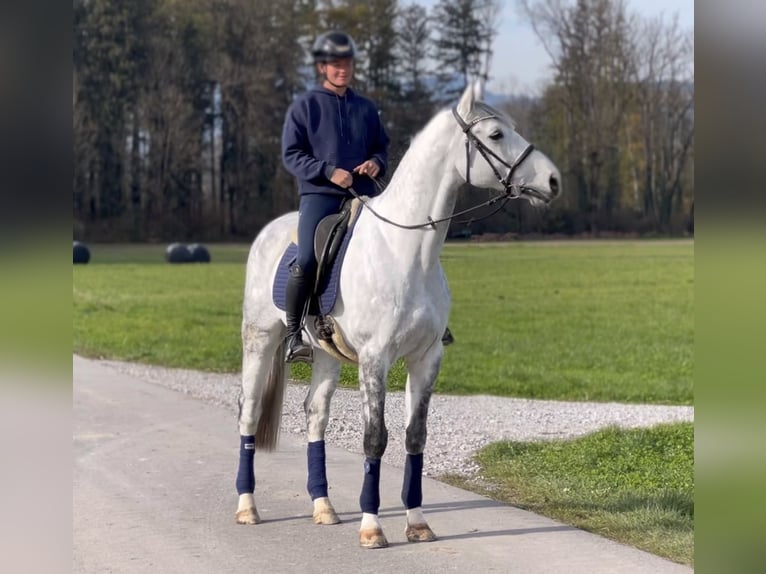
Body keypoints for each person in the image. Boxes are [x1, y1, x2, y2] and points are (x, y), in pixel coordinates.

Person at [280, 30, 390, 364]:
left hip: (364, 194)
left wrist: (376, 163)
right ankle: (293, 335)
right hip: (321, 195)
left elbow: (381, 147)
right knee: (308, 261)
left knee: (401, 245)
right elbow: (291, 154)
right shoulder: (304, 107)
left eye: (348, 64)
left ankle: (425, 322)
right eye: (336, 64)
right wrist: (328, 171)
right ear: (322, 67)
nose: (343, 69)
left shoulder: (366, 108)